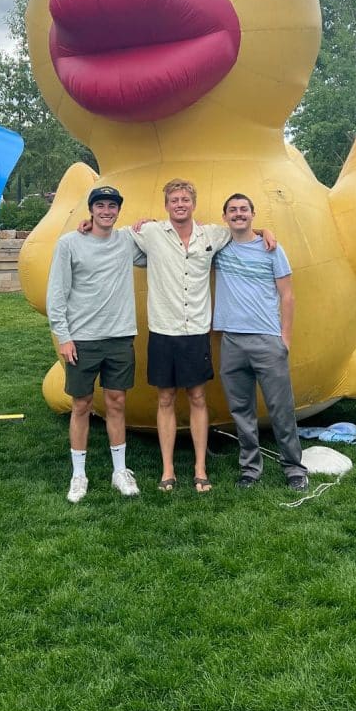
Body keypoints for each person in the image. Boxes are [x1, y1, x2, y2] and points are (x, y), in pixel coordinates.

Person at [128, 179, 275, 494]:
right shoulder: (150, 234)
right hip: (163, 331)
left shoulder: (212, 235)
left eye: (184, 199)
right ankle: (168, 469)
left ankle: (199, 468)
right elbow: (111, 239)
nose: (180, 204)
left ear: (192, 204)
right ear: (166, 205)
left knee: (197, 397)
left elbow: (242, 230)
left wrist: (264, 232)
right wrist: (88, 226)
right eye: (174, 200)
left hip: (196, 332)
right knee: (165, 398)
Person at [46, 185, 147, 503]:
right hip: (82, 340)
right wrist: (63, 336)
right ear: (91, 210)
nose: (106, 210)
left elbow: (168, 243)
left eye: (112, 206)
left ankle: (120, 471)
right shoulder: (70, 243)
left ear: (119, 210)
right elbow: (56, 293)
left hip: (119, 337)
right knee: (81, 406)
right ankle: (79, 475)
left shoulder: (127, 241)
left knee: (117, 403)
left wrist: (150, 225)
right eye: (100, 205)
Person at [213, 193, 309, 492]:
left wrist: (285, 339)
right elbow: (186, 232)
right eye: (233, 210)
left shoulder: (271, 249)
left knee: (281, 409)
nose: (238, 214)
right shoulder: (218, 248)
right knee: (241, 411)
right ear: (225, 216)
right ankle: (250, 469)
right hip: (231, 341)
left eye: (244, 210)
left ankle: (294, 468)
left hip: (267, 340)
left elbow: (288, 296)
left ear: (252, 214)